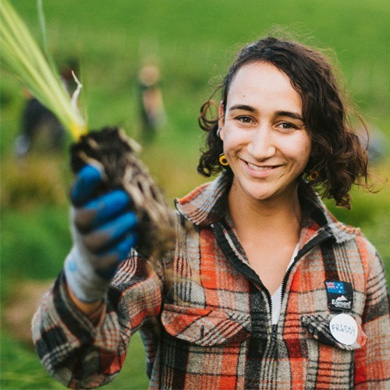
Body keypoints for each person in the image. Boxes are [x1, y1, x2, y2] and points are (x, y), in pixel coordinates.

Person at [32, 36, 390, 389]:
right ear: (222, 122)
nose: (261, 148)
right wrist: (86, 276)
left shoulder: (356, 263)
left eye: (286, 124)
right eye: (245, 118)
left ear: (315, 136)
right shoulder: (167, 242)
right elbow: (79, 366)